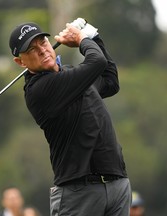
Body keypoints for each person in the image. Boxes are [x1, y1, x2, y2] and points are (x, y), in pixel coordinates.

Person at [9, 18, 131, 216]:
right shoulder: (39, 90)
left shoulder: (73, 75)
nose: (41, 50)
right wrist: (82, 39)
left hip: (117, 183)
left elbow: (110, 80)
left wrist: (94, 37)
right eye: (31, 49)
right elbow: (96, 62)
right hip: (78, 192)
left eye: (43, 42)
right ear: (20, 61)